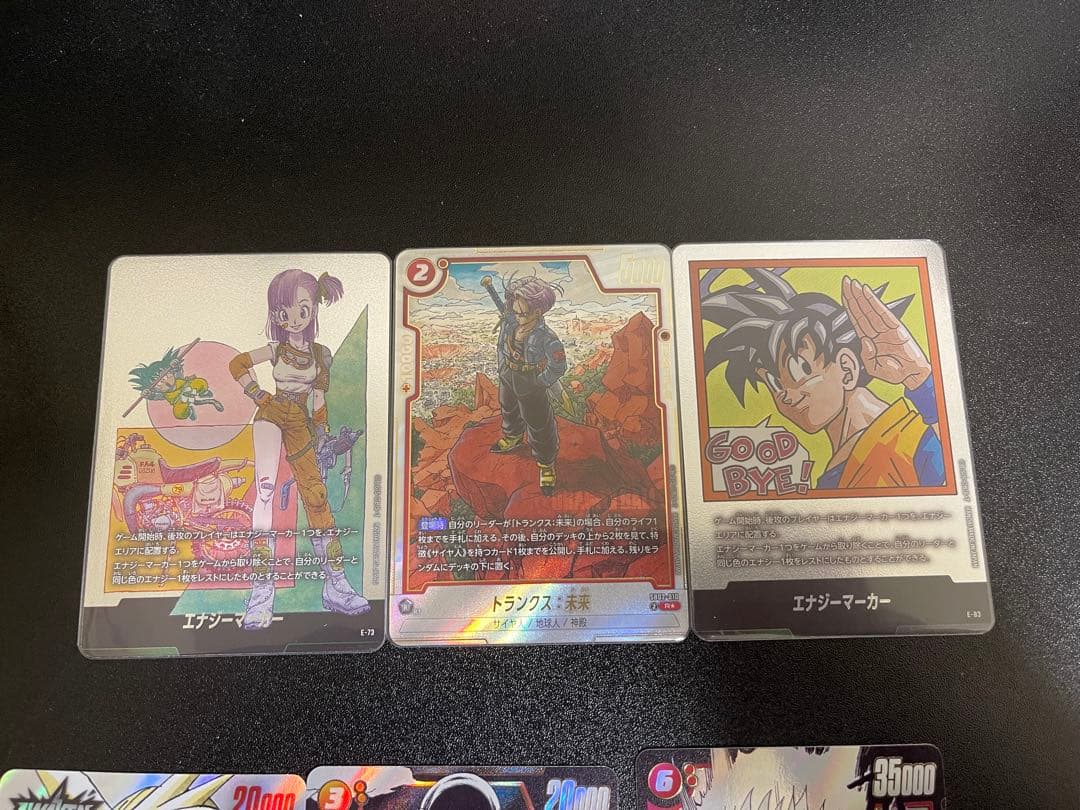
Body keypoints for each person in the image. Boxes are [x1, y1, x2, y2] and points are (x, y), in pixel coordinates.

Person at [702, 268, 945, 489]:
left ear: (846, 368)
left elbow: (955, 469)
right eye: (774, 384)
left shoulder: (908, 442)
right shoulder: (840, 468)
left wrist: (921, 381)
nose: (786, 395)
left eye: (800, 371)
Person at [228, 268, 369, 629]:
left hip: (302, 424)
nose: (292, 318)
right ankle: (261, 594)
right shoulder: (276, 349)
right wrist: (257, 393)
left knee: (317, 497)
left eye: (301, 309)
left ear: (313, 310)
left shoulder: (320, 355)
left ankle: (336, 584)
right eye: (283, 311)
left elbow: (318, 399)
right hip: (272, 413)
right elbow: (238, 363)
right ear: (276, 314)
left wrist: (322, 434)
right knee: (265, 489)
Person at [482, 274, 567, 495]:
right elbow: (502, 347)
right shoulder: (510, 323)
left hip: (531, 381)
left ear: (538, 311)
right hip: (509, 375)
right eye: (515, 311)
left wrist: (540, 382)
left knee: (539, 422)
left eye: (523, 313)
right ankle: (513, 436)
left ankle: (546, 464)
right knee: (508, 408)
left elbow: (558, 366)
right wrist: (503, 370)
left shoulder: (547, 337)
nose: (517, 316)